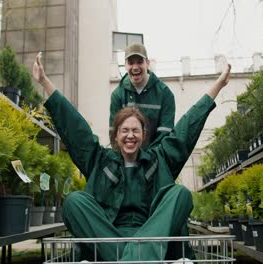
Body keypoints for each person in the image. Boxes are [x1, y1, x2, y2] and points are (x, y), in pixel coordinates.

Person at [33, 52, 231, 262]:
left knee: (180, 194)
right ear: (116, 135)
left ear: (144, 135)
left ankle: (130, 257)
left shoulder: (158, 159)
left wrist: (218, 85)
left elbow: (187, 126)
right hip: (108, 237)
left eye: (135, 131)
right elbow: (75, 128)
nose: (130, 135)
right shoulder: (101, 160)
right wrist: (45, 82)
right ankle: (135, 258)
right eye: (124, 130)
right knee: (74, 202)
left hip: (152, 233)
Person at [110, 42, 175, 148]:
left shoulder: (165, 94)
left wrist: (149, 159)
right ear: (125, 65)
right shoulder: (118, 95)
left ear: (147, 63)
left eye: (140, 62)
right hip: (126, 160)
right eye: (131, 63)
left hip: (155, 160)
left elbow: (165, 133)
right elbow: (114, 134)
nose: (135, 67)